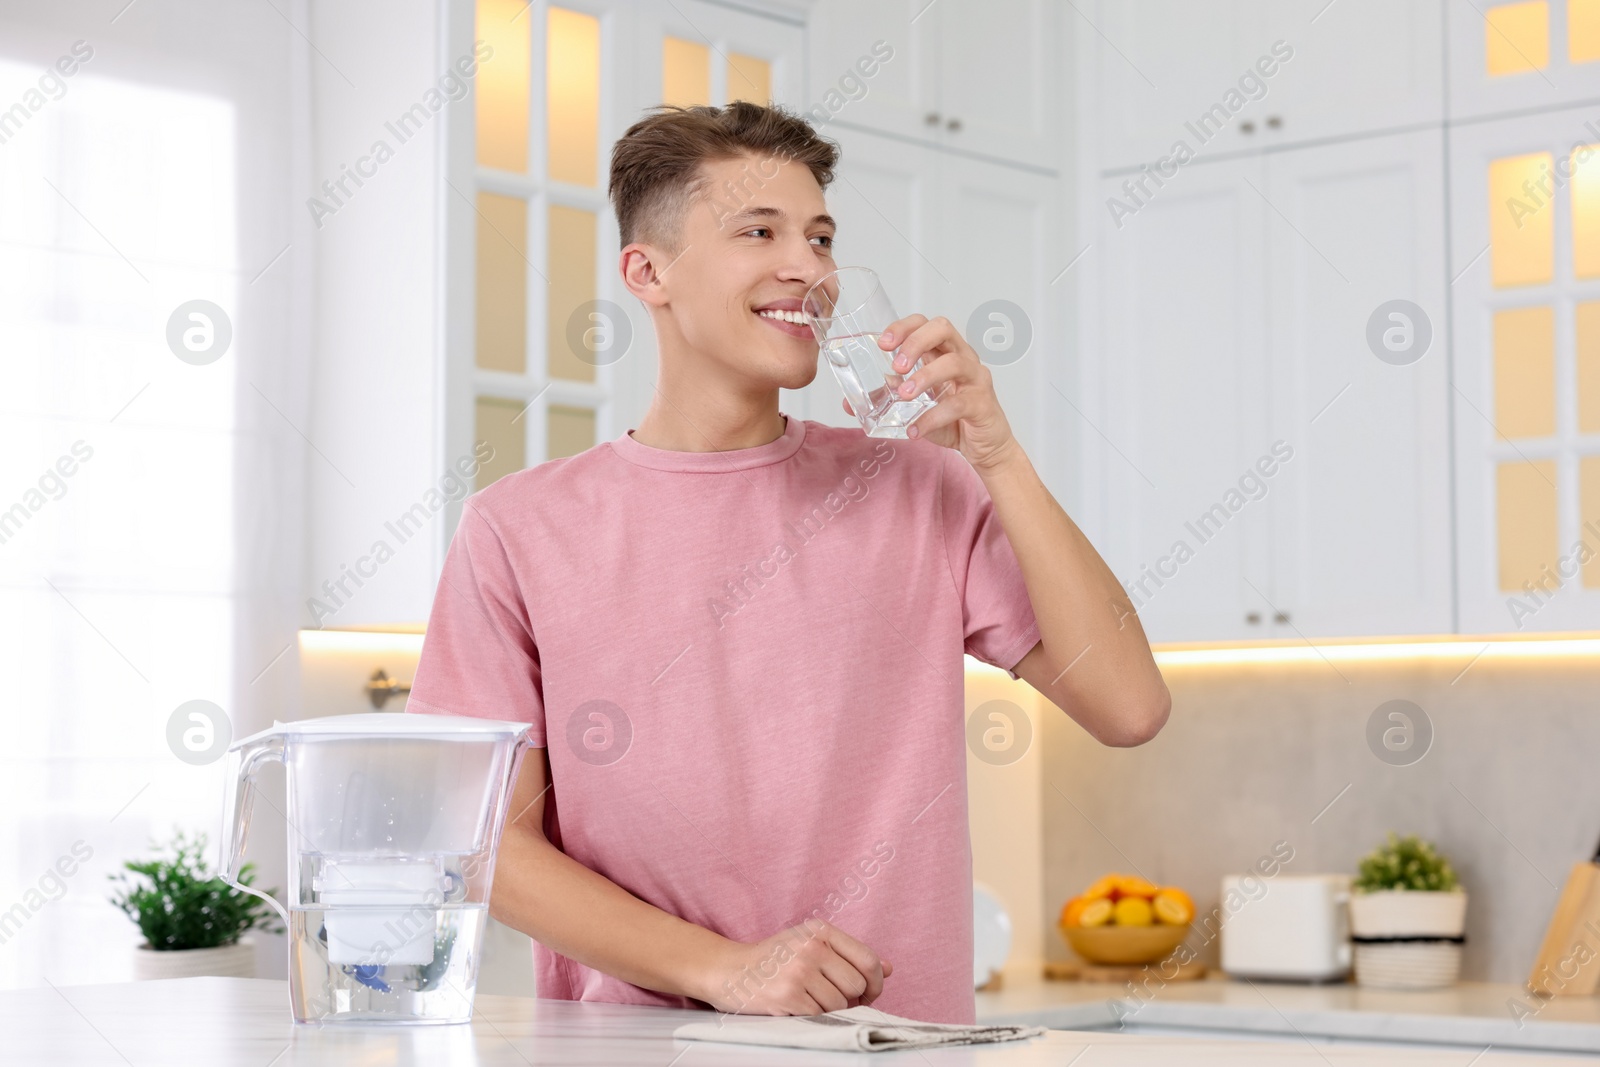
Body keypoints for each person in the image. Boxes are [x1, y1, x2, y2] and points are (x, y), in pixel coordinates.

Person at [407, 101, 1170, 1025]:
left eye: (819, 237)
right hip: (638, 1050)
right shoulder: (520, 527)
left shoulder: (921, 489)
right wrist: (726, 969)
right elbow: (484, 842)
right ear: (647, 272)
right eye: (757, 231)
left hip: (896, 1044)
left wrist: (1000, 456)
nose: (807, 267)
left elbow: (1130, 706)